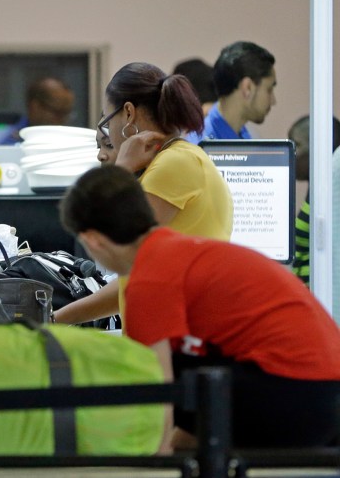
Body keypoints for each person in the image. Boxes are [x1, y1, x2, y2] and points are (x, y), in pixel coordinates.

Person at [59, 164, 340, 450]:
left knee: (153, 371)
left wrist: (154, 463)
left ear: (91, 240)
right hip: (325, 393)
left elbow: (157, 395)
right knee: (187, 363)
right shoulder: (180, 250)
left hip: (295, 396)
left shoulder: (150, 278)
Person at [53, 62, 232, 325]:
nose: (108, 134)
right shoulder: (173, 161)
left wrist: (122, 168)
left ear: (128, 113)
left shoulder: (174, 164)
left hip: (182, 339)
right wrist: (53, 319)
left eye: (107, 119)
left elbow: (110, 247)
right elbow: (130, 283)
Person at [186, 41, 276, 144]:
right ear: (248, 88)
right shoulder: (200, 148)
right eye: (269, 89)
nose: (273, 101)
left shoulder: (245, 134)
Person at [289, 115, 340, 286]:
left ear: (318, 149)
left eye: (296, 144)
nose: (291, 152)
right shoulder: (316, 191)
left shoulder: (329, 198)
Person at [0, 76, 75, 145]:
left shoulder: (74, 142)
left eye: (67, 112)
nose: (63, 120)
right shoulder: (12, 145)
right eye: (57, 112)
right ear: (35, 107)